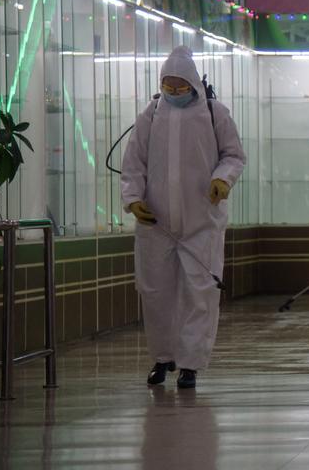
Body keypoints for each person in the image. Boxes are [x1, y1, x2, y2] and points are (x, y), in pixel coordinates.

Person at [122, 46, 246, 390]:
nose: (174, 94)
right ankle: (163, 358)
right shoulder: (150, 115)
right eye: (168, 87)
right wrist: (133, 200)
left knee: (200, 291)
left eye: (180, 88)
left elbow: (234, 155)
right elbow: (133, 164)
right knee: (155, 291)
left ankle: (190, 365)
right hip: (155, 223)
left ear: (194, 84)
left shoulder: (213, 112)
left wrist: (223, 178)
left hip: (201, 221)